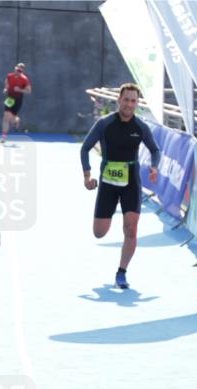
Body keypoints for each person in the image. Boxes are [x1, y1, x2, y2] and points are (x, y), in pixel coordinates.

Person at [80, 82, 160, 290]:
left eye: (133, 101)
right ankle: (108, 218)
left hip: (131, 182)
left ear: (137, 103)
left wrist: (154, 167)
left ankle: (121, 272)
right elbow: (85, 148)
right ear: (119, 100)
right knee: (99, 232)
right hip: (108, 182)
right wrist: (87, 174)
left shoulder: (140, 127)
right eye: (126, 100)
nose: (129, 105)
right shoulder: (104, 123)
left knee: (131, 229)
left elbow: (155, 150)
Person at [1, 63, 32, 143]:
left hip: (18, 100)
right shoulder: (9, 76)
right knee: (5, 117)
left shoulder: (24, 79)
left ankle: (16, 121)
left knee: (12, 118)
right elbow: (7, 84)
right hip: (10, 99)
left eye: (19, 71)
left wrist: (20, 90)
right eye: (16, 69)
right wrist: (5, 89)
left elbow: (29, 91)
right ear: (15, 69)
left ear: (21, 72)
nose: (17, 71)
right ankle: (4, 137)